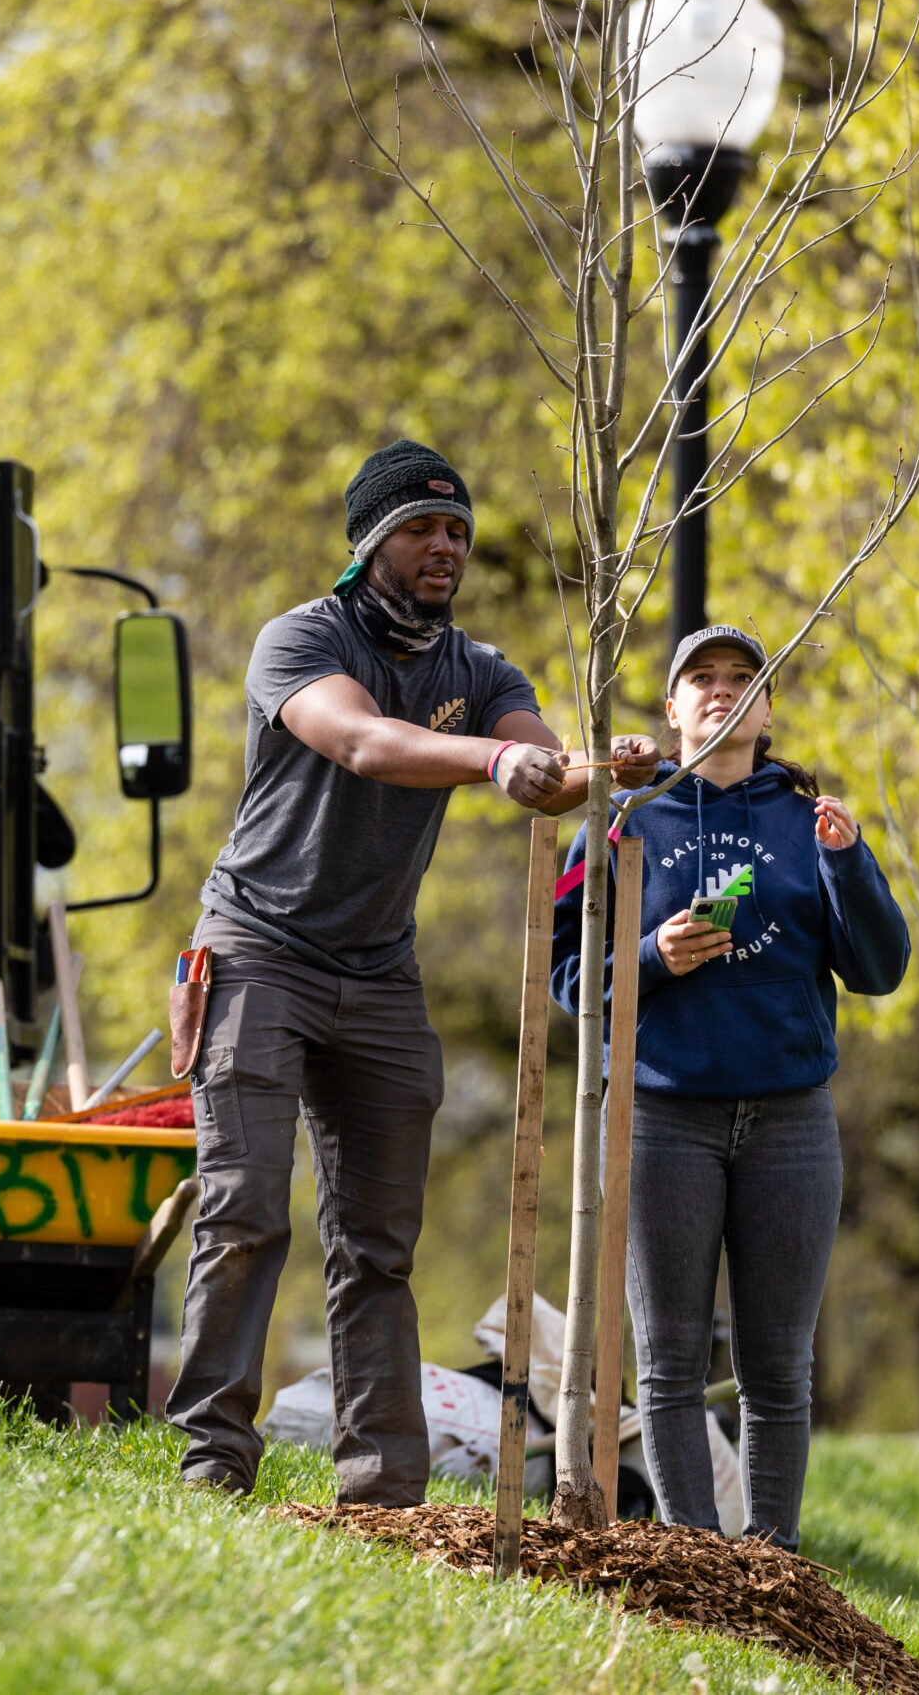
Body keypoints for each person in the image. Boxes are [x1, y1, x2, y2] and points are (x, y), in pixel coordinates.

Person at [167, 438, 657, 1503]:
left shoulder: (478, 671)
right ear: (370, 541)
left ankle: (383, 1486)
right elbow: (360, 741)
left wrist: (603, 766)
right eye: (422, 528)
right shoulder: (301, 638)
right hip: (258, 951)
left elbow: (545, 768)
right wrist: (491, 760)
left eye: (458, 531)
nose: (446, 547)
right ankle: (213, 1456)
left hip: (379, 976)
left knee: (378, 1244)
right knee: (244, 1211)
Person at [550, 624, 909, 1551]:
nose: (722, 691)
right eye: (701, 680)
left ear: (768, 707)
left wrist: (846, 861)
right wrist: (651, 958)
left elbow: (879, 969)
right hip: (661, 1114)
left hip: (790, 1120)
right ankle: (696, 1557)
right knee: (670, 1359)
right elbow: (567, 982)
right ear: (671, 710)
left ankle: (771, 1562)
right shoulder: (623, 821)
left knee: (779, 1365)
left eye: (743, 679)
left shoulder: (809, 821)